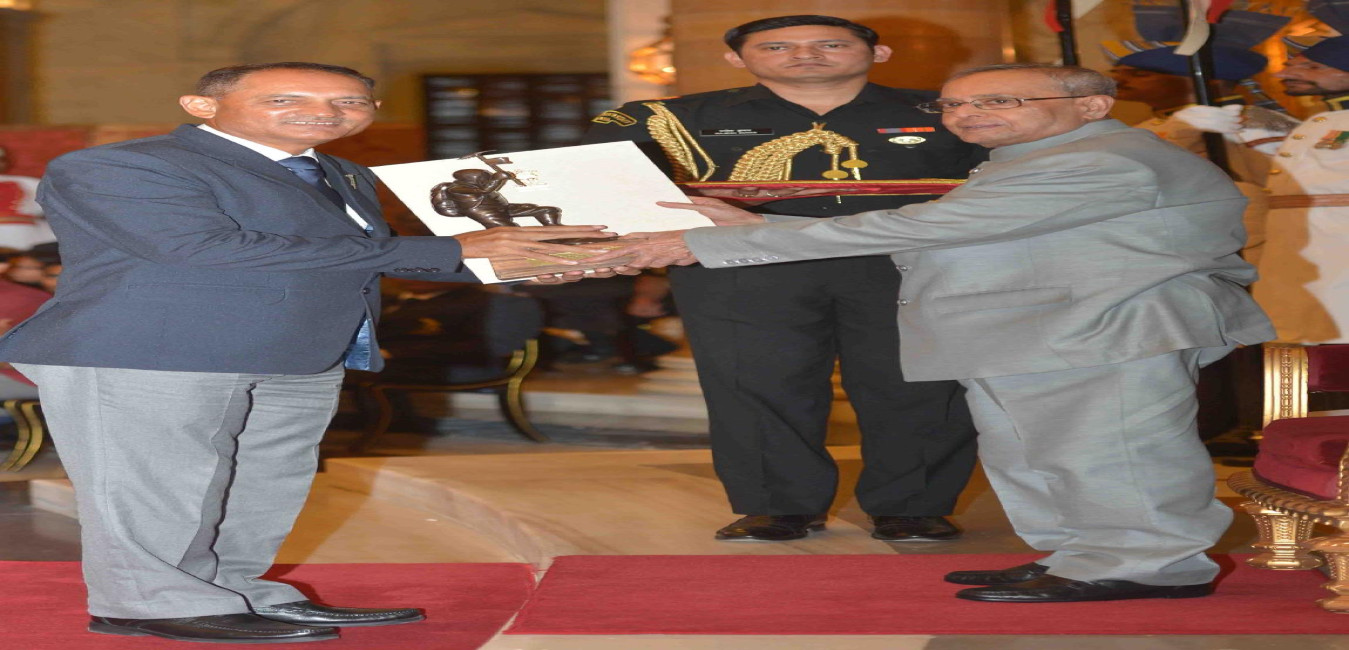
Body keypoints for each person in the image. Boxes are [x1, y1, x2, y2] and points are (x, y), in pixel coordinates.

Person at [592, 64, 1274, 602]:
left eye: (1000, 100)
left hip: (1105, 330)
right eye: (953, 105)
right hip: (1039, 331)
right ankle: (1085, 558)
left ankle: (1149, 564)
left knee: (1108, 454)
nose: (968, 114)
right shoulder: (1031, 159)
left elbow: (928, 227)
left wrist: (713, 240)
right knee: (1040, 455)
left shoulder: (1104, 159)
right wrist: (757, 225)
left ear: (1092, 105)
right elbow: (941, 229)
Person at [0, 62, 619, 644]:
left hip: (299, 349)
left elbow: (354, 259)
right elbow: (197, 248)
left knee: (264, 483)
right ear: (201, 105)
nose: (325, 112)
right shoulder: (121, 164)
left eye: (348, 101)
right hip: (149, 349)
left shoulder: (340, 173)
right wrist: (452, 250)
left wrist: (522, 262)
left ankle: (233, 590)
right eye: (286, 99)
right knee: (157, 485)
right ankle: (149, 601)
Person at [582, 14, 982, 543]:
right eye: (777, 47)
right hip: (743, 266)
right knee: (755, 383)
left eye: (830, 44)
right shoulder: (665, 118)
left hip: (910, 260)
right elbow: (605, 180)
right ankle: (776, 507)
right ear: (735, 58)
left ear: (879, 53)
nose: (804, 54)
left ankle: (914, 507)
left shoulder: (958, 111)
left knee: (920, 383)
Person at [1178, 36, 1349, 344]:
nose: (1284, 73)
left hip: (1337, 259)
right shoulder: (1318, 123)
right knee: (1292, 349)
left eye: (1313, 67)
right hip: (1293, 258)